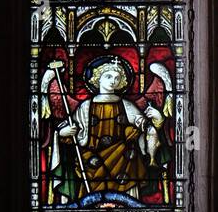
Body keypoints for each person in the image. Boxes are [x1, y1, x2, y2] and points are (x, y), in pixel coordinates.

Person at [54, 56, 166, 203]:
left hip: (124, 161)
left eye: (117, 78)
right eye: (108, 76)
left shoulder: (126, 105)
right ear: (98, 79)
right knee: (89, 197)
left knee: (129, 183)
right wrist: (62, 132)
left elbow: (145, 125)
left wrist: (158, 119)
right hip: (92, 160)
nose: (113, 81)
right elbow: (71, 129)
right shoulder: (86, 106)